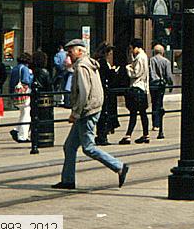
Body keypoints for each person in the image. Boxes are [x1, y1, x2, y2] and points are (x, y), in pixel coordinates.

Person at [52, 39, 129, 190]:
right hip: (91, 109)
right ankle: (68, 180)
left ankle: (119, 166)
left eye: (71, 51)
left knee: (88, 147)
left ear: (80, 51)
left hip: (86, 111)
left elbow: (84, 92)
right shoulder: (90, 64)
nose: (69, 54)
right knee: (69, 146)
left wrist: (76, 113)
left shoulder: (81, 67)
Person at [120, 39, 150, 145]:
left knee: (133, 113)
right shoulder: (144, 56)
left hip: (137, 87)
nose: (131, 51)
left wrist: (128, 68)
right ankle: (145, 134)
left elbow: (135, 73)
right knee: (142, 113)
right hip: (142, 88)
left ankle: (128, 135)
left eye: (132, 48)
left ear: (136, 47)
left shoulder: (140, 57)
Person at [94, 43, 119, 146]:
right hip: (104, 90)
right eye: (109, 52)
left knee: (103, 114)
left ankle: (101, 135)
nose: (110, 54)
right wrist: (113, 71)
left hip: (101, 89)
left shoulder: (97, 61)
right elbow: (107, 75)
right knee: (104, 113)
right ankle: (102, 136)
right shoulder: (103, 62)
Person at [8, 52, 34, 143]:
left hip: (16, 93)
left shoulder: (15, 69)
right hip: (24, 93)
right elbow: (26, 81)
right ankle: (22, 136)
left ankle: (16, 130)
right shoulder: (25, 69)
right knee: (26, 114)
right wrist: (32, 76)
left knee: (23, 113)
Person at [149, 43, 172, 139]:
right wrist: (170, 84)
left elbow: (151, 72)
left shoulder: (151, 60)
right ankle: (158, 124)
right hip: (161, 85)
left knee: (154, 103)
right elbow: (168, 74)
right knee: (160, 103)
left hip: (153, 85)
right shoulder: (166, 61)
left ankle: (155, 124)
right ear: (162, 52)